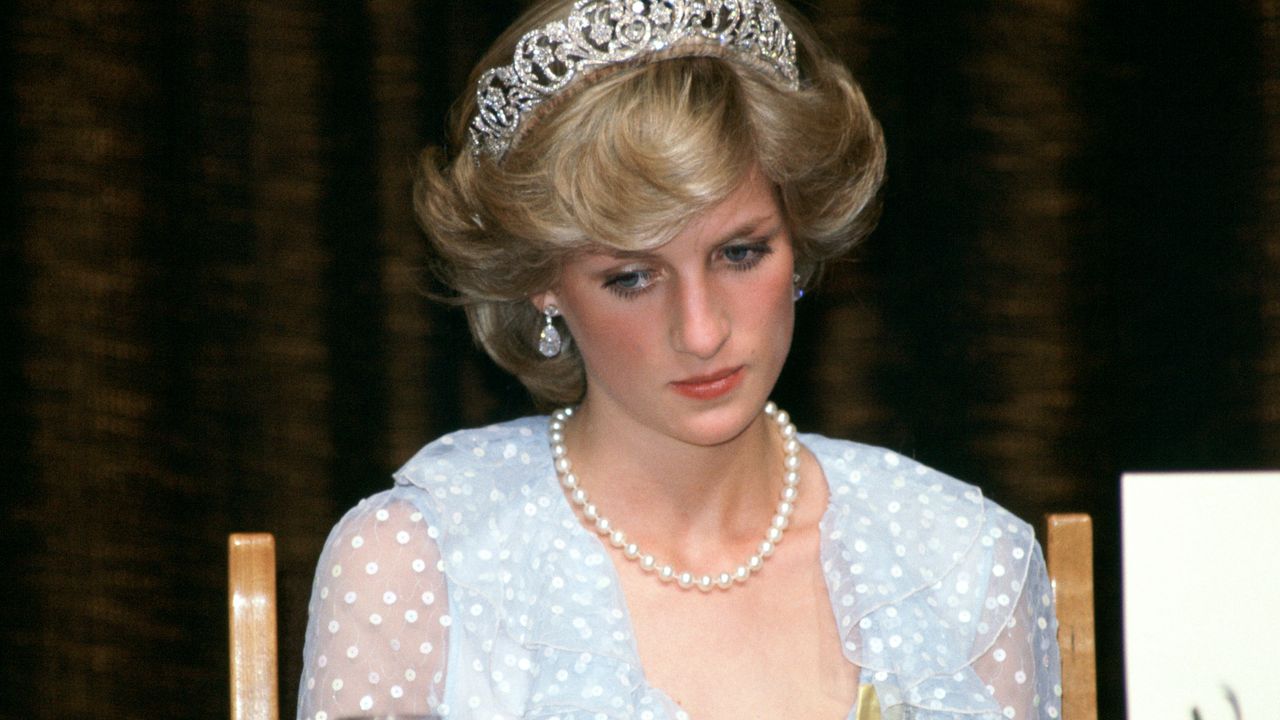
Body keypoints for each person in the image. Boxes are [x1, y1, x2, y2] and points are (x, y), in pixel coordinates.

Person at [297, 0, 1062, 718]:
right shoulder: (419, 565)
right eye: (631, 277)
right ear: (541, 283)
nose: (700, 332)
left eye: (740, 253)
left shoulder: (962, 561)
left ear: (799, 241)